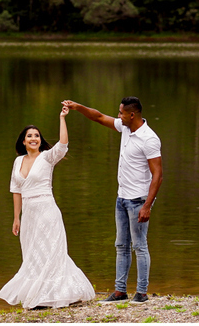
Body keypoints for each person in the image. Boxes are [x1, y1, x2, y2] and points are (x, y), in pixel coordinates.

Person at [62, 96, 162, 305]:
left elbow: (158, 175)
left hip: (138, 201)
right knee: (121, 245)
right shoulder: (125, 128)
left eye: (121, 113)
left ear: (131, 114)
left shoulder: (149, 139)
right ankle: (120, 291)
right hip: (122, 198)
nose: (118, 116)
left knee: (139, 246)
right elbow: (98, 117)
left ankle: (141, 293)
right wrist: (77, 107)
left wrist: (147, 206)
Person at [0, 104, 96, 310]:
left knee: (51, 252)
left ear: (40, 140)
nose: (34, 138)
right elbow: (16, 190)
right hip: (29, 215)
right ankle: (38, 293)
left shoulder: (47, 157)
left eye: (37, 136)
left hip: (47, 211)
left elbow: (63, 144)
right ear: (23, 141)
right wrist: (17, 218)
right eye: (30, 136)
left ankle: (51, 296)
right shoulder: (18, 162)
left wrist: (62, 118)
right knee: (33, 253)